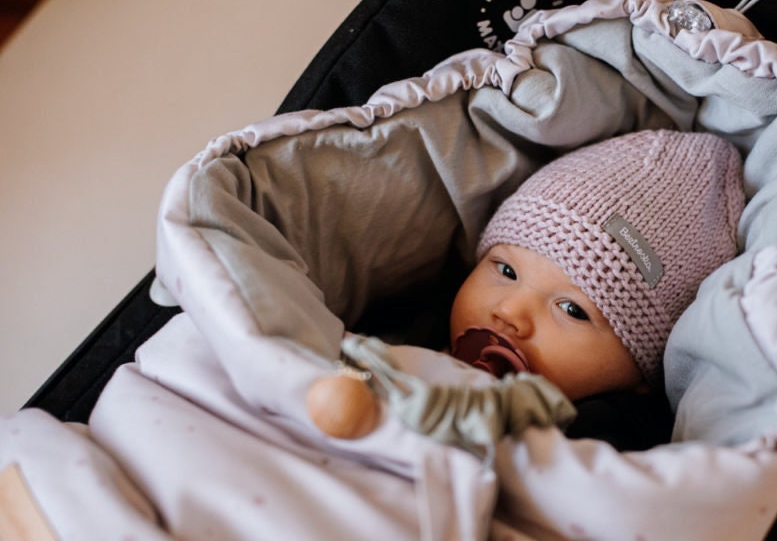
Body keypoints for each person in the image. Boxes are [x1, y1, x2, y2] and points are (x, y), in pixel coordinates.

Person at [308, 129, 745, 446]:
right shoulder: (411, 328)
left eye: (572, 310)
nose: (510, 312)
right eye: (505, 270)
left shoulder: (604, 436)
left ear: (640, 376)